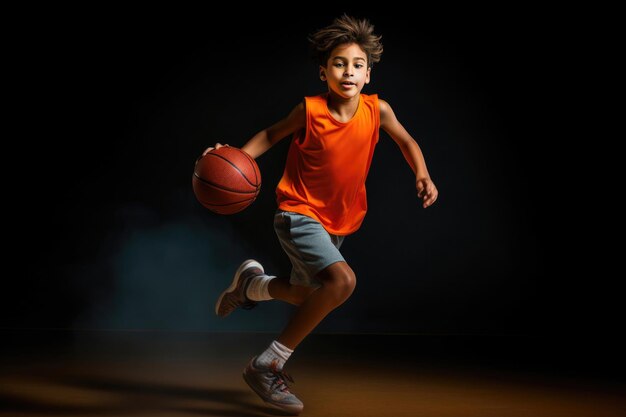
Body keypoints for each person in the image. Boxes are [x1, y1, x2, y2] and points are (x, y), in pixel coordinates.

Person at [205, 14, 438, 415]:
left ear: (368, 74)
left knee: (308, 295)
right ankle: (268, 364)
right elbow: (270, 135)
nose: (348, 71)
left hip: (338, 222)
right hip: (297, 212)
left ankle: (251, 286)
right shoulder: (309, 111)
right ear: (323, 72)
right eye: (339, 63)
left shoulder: (377, 110)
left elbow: (407, 140)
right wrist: (236, 158)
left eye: (357, 65)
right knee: (342, 281)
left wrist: (422, 173)